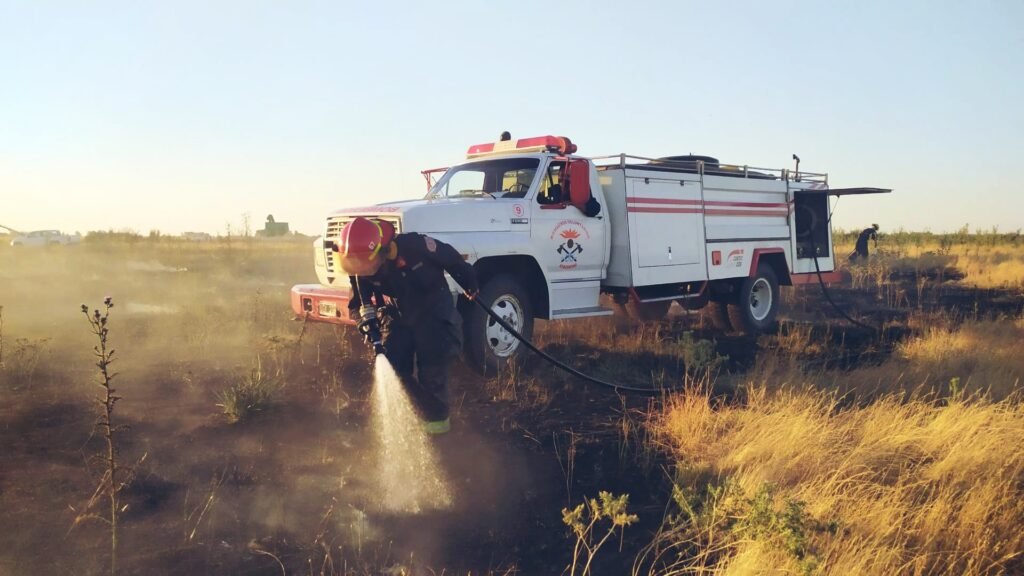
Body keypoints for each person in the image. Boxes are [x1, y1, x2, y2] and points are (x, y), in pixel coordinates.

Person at [337, 217, 479, 434]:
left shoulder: (417, 246)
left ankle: (438, 431)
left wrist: (470, 282)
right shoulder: (361, 267)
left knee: (432, 372)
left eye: (368, 265)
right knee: (394, 367)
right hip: (399, 313)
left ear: (384, 250)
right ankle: (413, 418)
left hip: (434, 310)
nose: (364, 271)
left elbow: (452, 259)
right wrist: (365, 324)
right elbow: (357, 305)